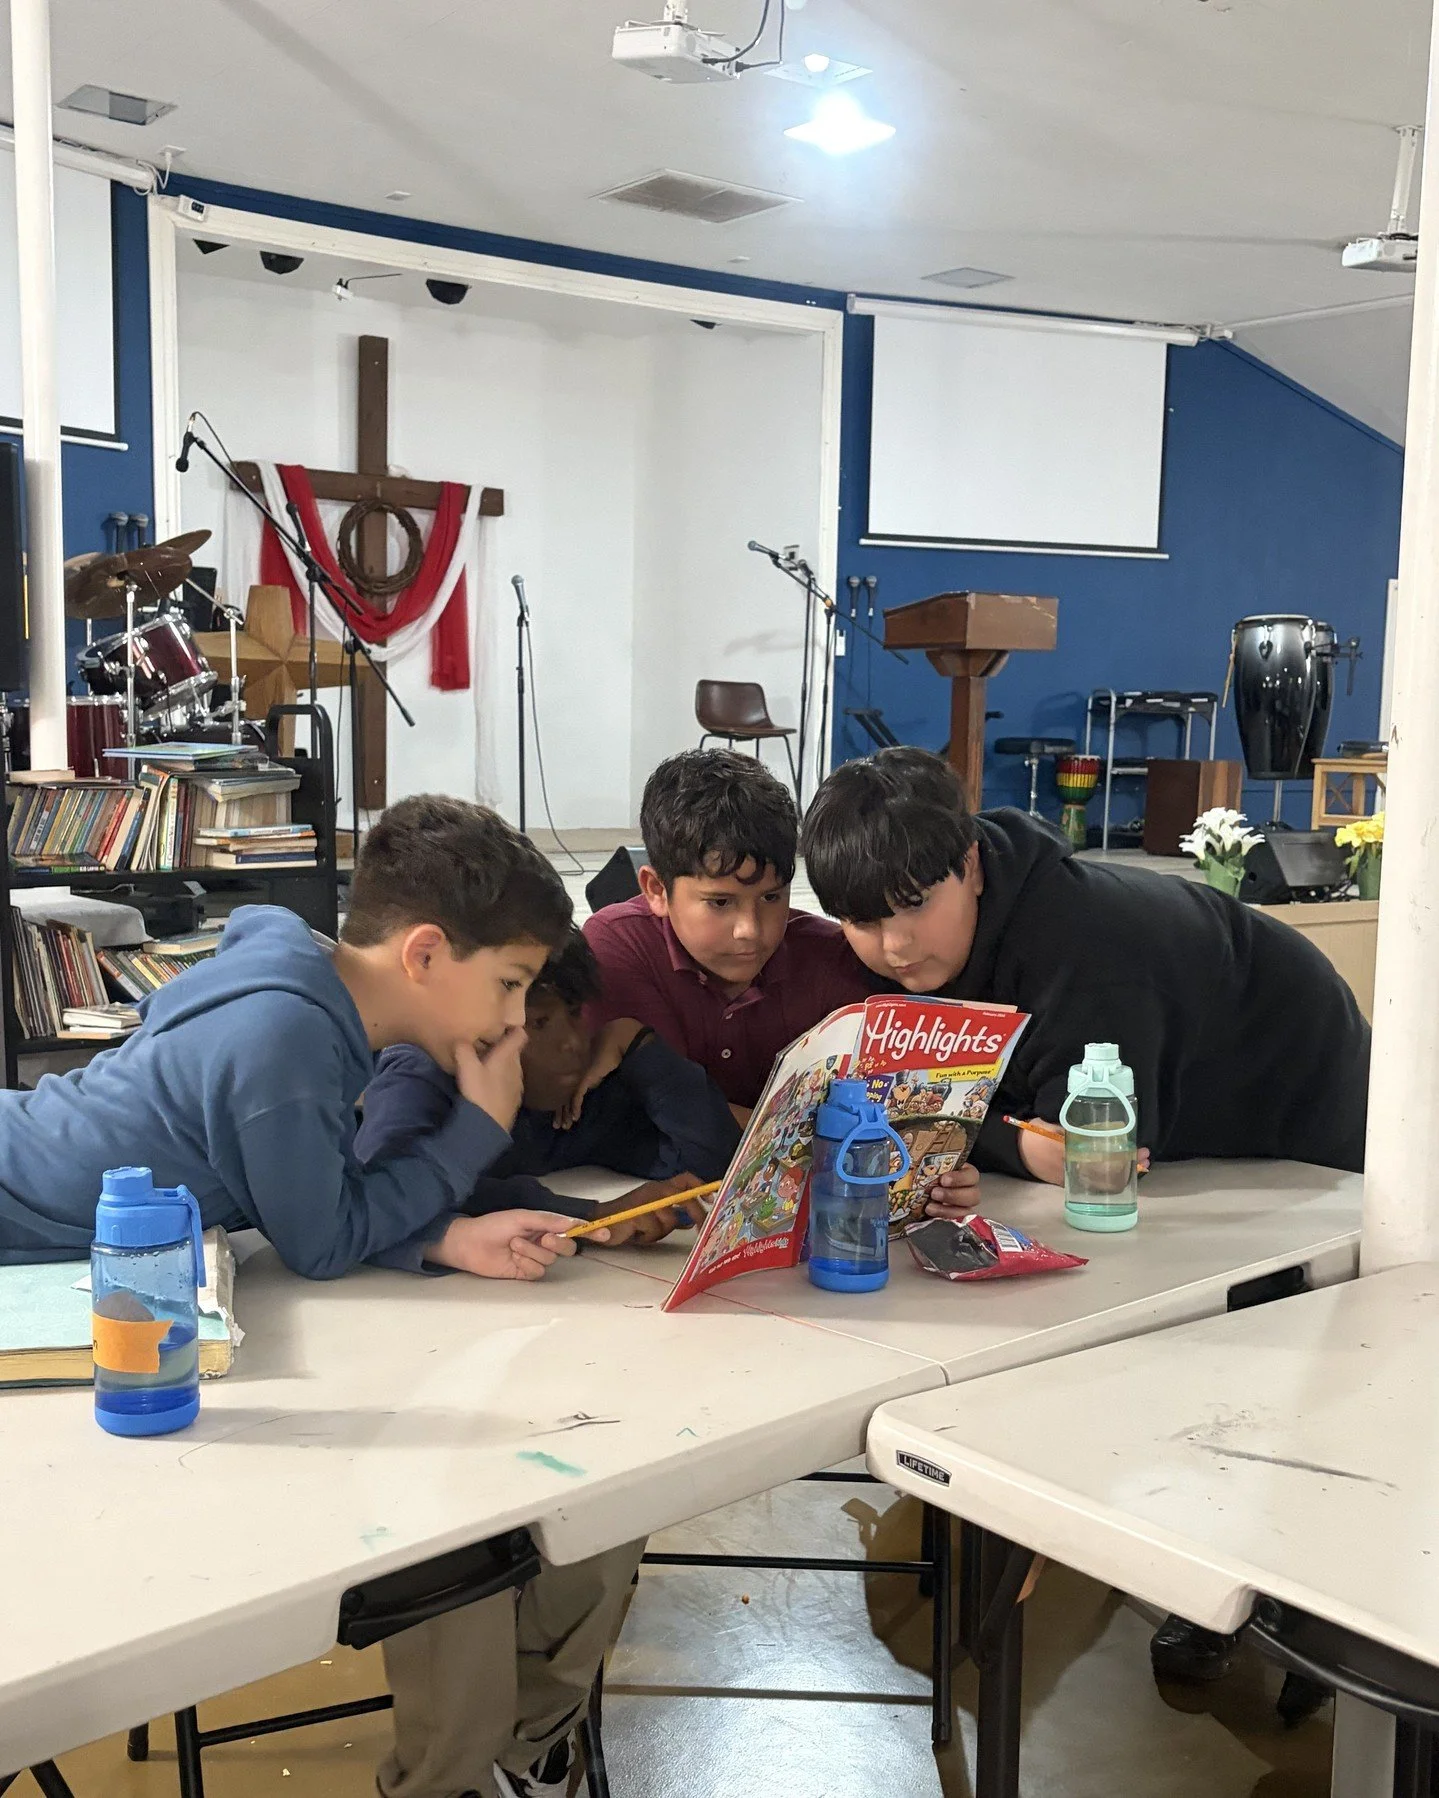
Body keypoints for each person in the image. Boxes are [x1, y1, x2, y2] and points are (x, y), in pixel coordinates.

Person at [801, 745, 1369, 1698]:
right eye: (863, 921)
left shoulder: (1085, 949)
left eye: (913, 906)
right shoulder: (943, 938)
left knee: (1263, 1352)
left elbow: (1096, 1156)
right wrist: (1004, 1141)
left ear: (970, 866)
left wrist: (1002, 1141)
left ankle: (1289, 1600)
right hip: (1187, 1133)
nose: (894, 947)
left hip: (1297, 1116)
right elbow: (960, 1114)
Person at [0, 794, 585, 1281]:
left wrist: (445, 1238)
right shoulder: (286, 1035)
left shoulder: (307, 986)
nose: (516, 1019)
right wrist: (476, 1128)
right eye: (510, 983)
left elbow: (315, 1201)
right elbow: (322, 1245)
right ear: (425, 954)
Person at [357, 925, 741, 1240]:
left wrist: (637, 1043)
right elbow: (388, 1183)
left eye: (574, 1014)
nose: (571, 1042)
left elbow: (709, 1162)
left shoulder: (582, 1093)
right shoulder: (424, 1069)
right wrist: (588, 1216)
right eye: (539, 1023)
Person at [583, 748, 876, 1112]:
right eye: (720, 902)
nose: (749, 930)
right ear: (656, 890)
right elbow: (661, 1112)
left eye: (771, 897)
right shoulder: (619, 948)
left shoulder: (832, 959)